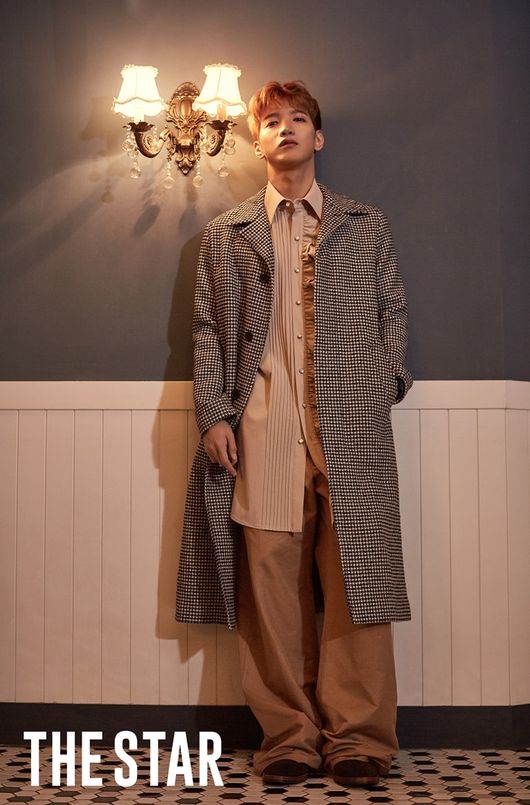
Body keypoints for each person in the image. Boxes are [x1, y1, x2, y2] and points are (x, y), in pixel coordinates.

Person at [176, 80, 413, 788]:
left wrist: (383, 385)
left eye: (299, 118)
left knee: (356, 582)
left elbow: (392, 312)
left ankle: (360, 737)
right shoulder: (227, 234)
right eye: (272, 120)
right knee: (271, 588)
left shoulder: (364, 224)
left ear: (319, 136)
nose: (286, 128)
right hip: (262, 424)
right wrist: (215, 414)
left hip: (350, 427)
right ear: (257, 140)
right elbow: (207, 330)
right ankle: (288, 735)